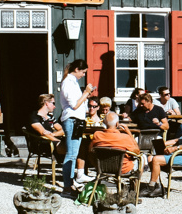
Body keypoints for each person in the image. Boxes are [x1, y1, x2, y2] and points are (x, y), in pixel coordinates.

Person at [142, 106, 182, 197]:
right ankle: (158, 186)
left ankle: (150, 187)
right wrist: (164, 143)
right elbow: (177, 140)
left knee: (156, 159)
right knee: (150, 158)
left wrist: (175, 148)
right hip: (180, 154)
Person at [59, 59, 94, 193]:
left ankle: (70, 182)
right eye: (83, 72)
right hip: (72, 120)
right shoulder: (68, 82)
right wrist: (85, 93)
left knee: (74, 153)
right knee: (71, 154)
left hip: (77, 120)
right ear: (77, 70)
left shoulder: (73, 82)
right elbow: (74, 105)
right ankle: (67, 185)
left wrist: (85, 95)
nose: (84, 75)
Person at [89, 111, 142, 176]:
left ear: (104, 123)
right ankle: (136, 185)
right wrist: (129, 132)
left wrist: (95, 164)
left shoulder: (97, 135)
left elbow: (90, 151)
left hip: (102, 167)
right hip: (123, 169)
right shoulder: (125, 137)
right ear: (117, 124)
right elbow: (137, 152)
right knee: (143, 158)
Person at [28, 93, 65, 161]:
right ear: (47, 103)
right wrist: (57, 141)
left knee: (74, 144)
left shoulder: (50, 117)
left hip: (52, 139)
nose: (54, 106)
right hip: (41, 143)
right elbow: (43, 132)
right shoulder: (35, 116)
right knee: (68, 147)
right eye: (53, 103)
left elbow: (62, 130)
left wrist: (53, 134)